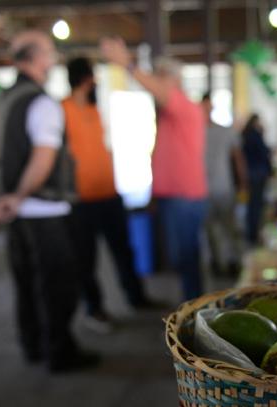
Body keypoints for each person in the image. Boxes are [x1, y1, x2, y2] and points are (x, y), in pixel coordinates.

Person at [0, 30, 98, 373]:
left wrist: (1, 199)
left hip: (16, 212)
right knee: (57, 284)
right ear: (35, 59)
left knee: (26, 284)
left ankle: (33, 345)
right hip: (43, 209)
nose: (53, 59)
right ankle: (60, 353)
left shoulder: (3, 100)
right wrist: (19, 196)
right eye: (49, 53)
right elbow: (43, 158)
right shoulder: (41, 102)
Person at [100, 38, 208, 301]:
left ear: (173, 81)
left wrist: (128, 64)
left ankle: (193, 310)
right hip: (175, 196)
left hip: (184, 197)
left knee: (187, 256)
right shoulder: (169, 114)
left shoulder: (183, 106)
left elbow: (159, 91)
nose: (154, 84)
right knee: (182, 257)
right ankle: (191, 306)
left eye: (160, 77)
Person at [62, 57, 151, 333]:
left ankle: (136, 297)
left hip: (108, 193)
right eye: (92, 78)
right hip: (81, 199)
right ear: (85, 79)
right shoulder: (61, 110)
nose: (95, 83)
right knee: (85, 260)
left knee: (124, 250)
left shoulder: (93, 110)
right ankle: (94, 309)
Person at [200, 92, 248, 276]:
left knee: (229, 228)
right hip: (203, 191)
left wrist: (243, 183)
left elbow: (237, 158)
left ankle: (233, 261)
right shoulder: (194, 131)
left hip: (223, 188)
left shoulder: (225, 131)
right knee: (211, 231)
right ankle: (217, 263)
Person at [241, 114, 271, 245]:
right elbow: (264, 153)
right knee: (256, 206)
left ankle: (251, 234)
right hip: (258, 174)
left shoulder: (245, 136)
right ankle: (253, 235)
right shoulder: (255, 136)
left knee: (251, 205)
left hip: (251, 174)